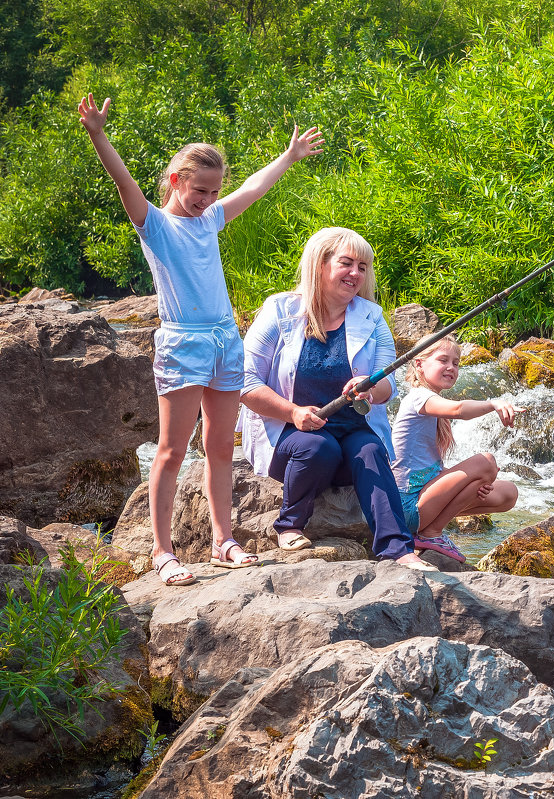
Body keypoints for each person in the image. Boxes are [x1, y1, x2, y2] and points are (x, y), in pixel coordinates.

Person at [78, 93, 324, 586]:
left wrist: (289, 156)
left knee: (219, 447)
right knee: (171, 450)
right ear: (175, 181)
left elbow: (254, 189)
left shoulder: (210, 220)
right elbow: (123, 181)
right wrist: (99, 135)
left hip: (225, 340)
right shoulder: (156, 225)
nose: (208, 201)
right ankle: (163, 551)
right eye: (199, 191)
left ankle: (222, 540)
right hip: (183, 344)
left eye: (213, 193)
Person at [238, 227, 430, 570]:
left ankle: (398, 550)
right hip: (292, 438)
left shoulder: (372, 318)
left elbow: (389, 388)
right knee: (318, 447)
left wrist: (369, 386)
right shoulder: (279, 311)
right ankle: (289, 525)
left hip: (351, 435)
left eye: (363, 266)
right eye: (347, 263)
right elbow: (245, 381)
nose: (356, 273)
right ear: (320, 265)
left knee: (371, 451)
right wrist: (293, 412)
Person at [390, 335, 522, 562]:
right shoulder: (419, 398)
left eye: (456, 362)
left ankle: (430, 528)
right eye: (443, 360)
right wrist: (493, 404)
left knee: (508, 493)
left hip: (424, 500)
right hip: (406, 507)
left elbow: (432, 470)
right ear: (419, 364)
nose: (451, 367)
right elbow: (459, 409)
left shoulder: (431, 400)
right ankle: (431, 533)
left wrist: (473, 487)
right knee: (486, 462)